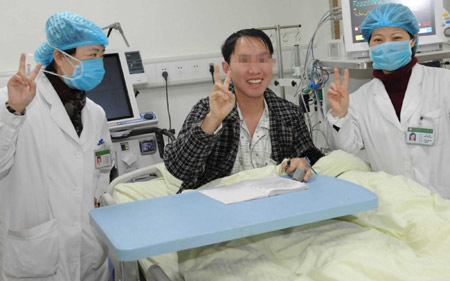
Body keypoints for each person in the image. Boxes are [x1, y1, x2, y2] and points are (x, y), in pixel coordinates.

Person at [0, 12, 113, 280]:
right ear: (60, 57)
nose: (99, 64)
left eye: (101, 56)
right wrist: (13, 112)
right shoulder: (15, 101)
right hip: (37, 253)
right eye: (92, 55)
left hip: (89, 252)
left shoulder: (95, 113)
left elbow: (101, 171)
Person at [164, 28, 323, 192]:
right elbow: (179, 169)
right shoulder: (207, 109)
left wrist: (304, 162)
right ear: (227, 68)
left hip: (274, 207)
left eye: (262, 60)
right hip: (215, 208)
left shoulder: (289, 114)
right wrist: (212, 120)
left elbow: (310, 156)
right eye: (245, 61)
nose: (255, 70)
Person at [326, 3, 450, 198]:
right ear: (369, 45)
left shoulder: (444, 83)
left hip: (443, 203)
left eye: (396, 38)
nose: (387, 45)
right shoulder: (359, 100)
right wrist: (340, 115)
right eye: (378, 39)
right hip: (395, 207)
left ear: (412, 40)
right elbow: (346, 151)